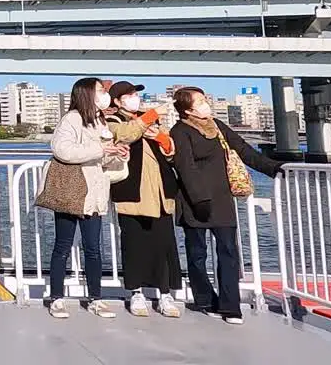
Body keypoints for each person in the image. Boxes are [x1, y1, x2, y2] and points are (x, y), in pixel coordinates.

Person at [169, 87, 283, 325]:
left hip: (221, 199)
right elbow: (185, 167)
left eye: (205, 99)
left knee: (229, 252)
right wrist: (199, 198)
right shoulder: (180, 131)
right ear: (188, 109)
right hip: (194, 201)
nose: (205, 104)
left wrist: (272, 168)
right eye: (200, 101)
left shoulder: (217, 126)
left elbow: (243, 150)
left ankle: (230, 306)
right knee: (197, 254)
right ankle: (205, 299)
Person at [43, 77, 130, 319]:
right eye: (100, 90)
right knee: (63, 245)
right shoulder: (72, 119)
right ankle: (57, 297)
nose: (104, 94)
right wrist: (102, 149)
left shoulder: (99, 121)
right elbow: (62, 150)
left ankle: (95, 297)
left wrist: (118, 154)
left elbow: (101, 158)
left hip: (95, 191)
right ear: (86, 93)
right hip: (73, 189)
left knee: (93, 248)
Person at [105, 81, 180, 318]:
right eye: (128, 95)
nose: (134, 98)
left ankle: (165, 293)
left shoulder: (150, 120)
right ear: (117, 101)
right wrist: (152, 115)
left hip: (160, 190)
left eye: (135, 94)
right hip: (132, 191)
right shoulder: (113, 121)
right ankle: (135, 292)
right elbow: (126, 134)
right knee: (134, 242)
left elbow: (170, 150)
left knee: (164, 243)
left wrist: (162, 139)